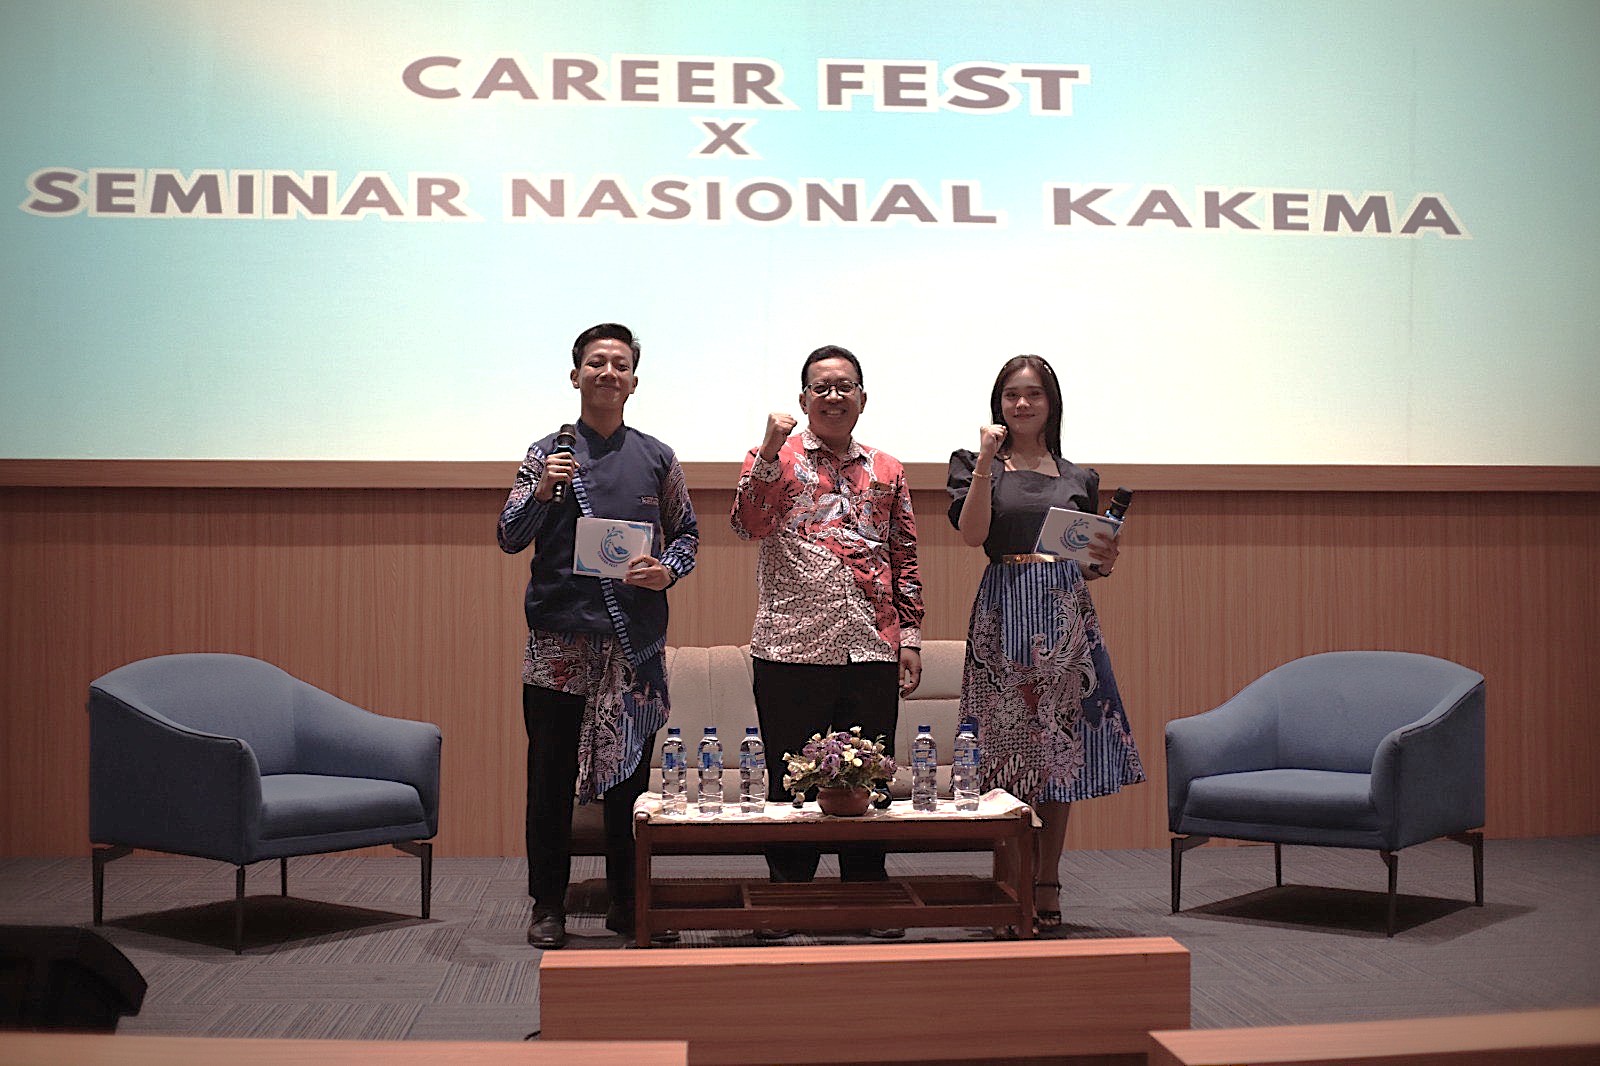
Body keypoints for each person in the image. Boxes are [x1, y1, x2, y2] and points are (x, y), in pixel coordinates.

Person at [498, 322, 698, 949]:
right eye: (595, 363)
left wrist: (667, 571)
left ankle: (627, 902)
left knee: (629, 780)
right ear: (575, 375)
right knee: (549, 779)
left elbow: (688, 536)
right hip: (559, 642)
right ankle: (547, 906)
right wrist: (543, 491)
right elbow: (509, 535)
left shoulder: (658, 457)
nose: (608, 372)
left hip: (632, 644)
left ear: (634, 382)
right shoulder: (545, 454)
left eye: (620, 365)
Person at [731, 344, 924, 938]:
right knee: (791, 777)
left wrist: (911, 637)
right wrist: (768, 451)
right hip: (791, 644)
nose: (834, 396)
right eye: (822, 387)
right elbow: (747, 524)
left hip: (870, 644)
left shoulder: (888, 469)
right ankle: (788, 897)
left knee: (868, 775)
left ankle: (865, 895)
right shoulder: (774, 458)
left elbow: (905, 556)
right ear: (803, 398)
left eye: (845, 386)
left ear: (863, 398)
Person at [947, 354, 1144, 930]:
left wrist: (1103, 559)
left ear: (1051, 404)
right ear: (998, 403)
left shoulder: (1079, 476)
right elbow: (973, 535)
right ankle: (1008, 882)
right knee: (1002, 752)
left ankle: (1048, 881)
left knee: (1058, 754)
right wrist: (987, 461)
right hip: (1004, 609)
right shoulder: (973, 463)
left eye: (1033, 393)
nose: (1022, 403)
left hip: (1062, 614)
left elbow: (1085, 563)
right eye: (1011, 394)